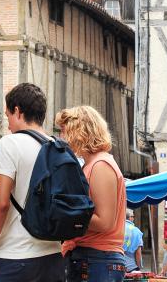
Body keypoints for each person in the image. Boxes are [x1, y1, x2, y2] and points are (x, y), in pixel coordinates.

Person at [0, 83, 64, 281]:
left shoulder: (9, 143)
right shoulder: (58, 147)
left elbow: (2, 203)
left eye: (8, 115)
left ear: (17, 111)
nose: (8, 123)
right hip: (52, 255)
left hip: (15, 255)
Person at [56, 105, 127, 282]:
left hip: (98, 259)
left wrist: (65, 214)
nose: (61, 137)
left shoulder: (101, 165)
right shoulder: (91, 164)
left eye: (64, 131)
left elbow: (104, 222)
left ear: (78, 131)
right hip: (93, 258)